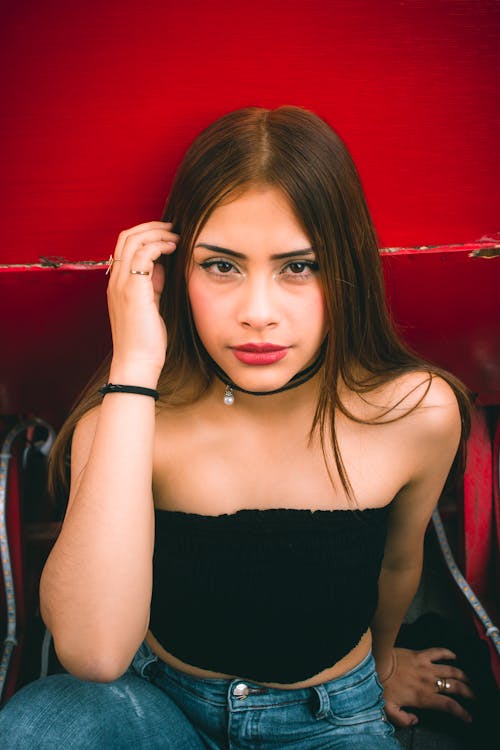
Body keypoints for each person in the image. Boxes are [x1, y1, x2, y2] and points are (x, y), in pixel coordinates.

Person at [0, 106, 475, 749]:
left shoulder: (415, 411)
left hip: (330, 719)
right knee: (40, 728)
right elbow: (92, 653)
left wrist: (384, 665)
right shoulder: (135, 416)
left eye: (298, 267)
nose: (258, 314)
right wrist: (136, 364)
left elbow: (398, 564)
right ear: (177, 273)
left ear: (348, 270)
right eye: (221, 266)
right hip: (157, 703)